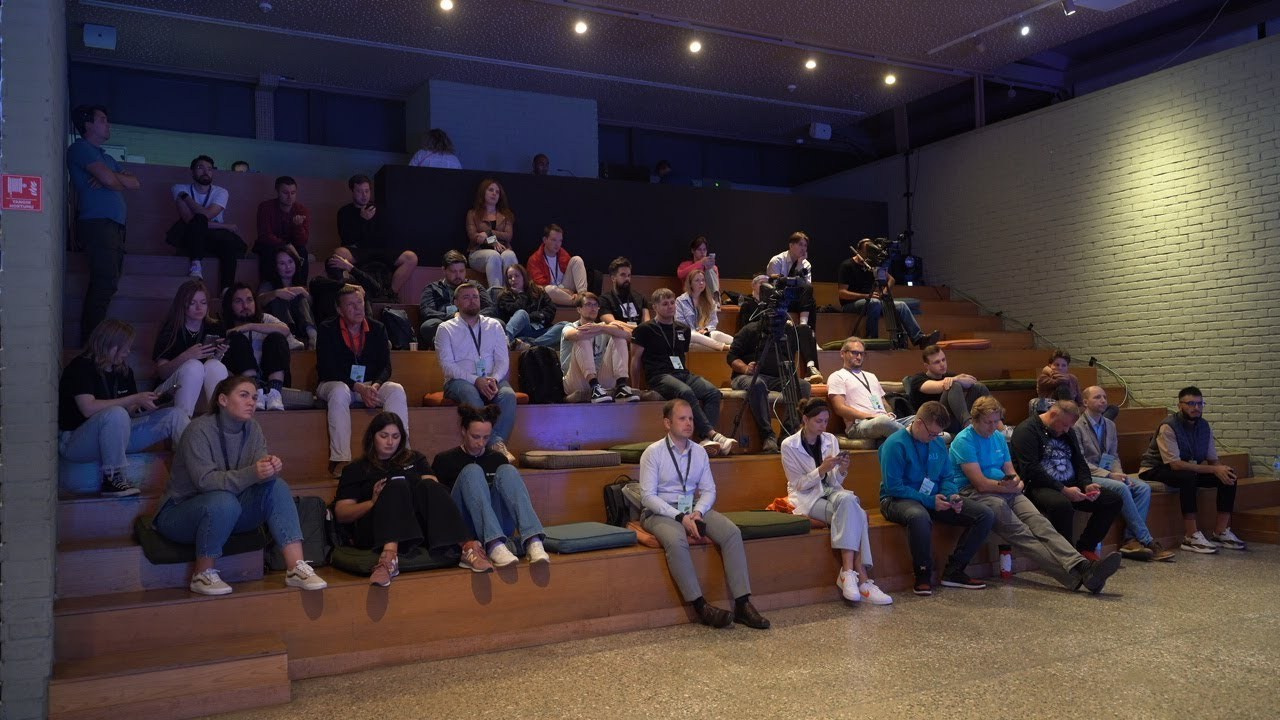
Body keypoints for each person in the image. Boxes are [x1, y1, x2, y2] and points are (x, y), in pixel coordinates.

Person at [153, 375, 327, 596]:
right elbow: (205, 482)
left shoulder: (253, 428)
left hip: (230, 510)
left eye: (254, 397)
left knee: (276, 486)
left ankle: (296, 568)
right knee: (223, 501)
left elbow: (258, 472)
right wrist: (254, 472)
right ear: (223, 400)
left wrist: (270, 468)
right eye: (244, 395)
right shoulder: (198, 430)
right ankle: (202, 574)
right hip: (180, 513)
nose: (251, 402)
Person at [950, 396, 1122, 594]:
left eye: (996, 421)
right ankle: (1080, 574)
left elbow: (1010, 470)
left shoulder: (997, 437)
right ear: (975, 420)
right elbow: (980, 484)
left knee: (1041, 525)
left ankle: (1082, 567)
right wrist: (1009, 487)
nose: (993, 427)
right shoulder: (964, 440)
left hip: (1005, 488)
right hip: (977, 493)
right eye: (988, 422)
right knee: (1021, 533)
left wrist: (1017, 482)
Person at [639, 399, 771, 629]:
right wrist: (680, 517)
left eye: (691, 418)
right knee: (676, 540)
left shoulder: (699, 452)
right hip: (660, 511)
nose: (689, 423)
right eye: (682, 418)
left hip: (693, 508)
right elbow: (648, 497)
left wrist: (698, 512)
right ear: (667, 423)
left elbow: (709, 490)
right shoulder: (653, 453)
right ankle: (700, 607)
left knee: (731, 533)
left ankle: (742, 604)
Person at [335, 412, 494, 586]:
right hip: (376, 528)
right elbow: (342, 513)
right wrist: (372, 502)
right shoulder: (356, 469)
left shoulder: (414, 458)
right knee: (396, 485)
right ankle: (389, 558)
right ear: (372, 437)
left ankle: (468, 548)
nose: (390, 442)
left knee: (429, 485)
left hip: (415, 527)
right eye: (384, 436)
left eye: (395, 436)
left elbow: (433, 489)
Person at [59, 319, 190, 497]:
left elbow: (130, 412)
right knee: (116, 413)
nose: (128, 352)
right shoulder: (81, 366)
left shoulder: (123, 371)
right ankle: (113, 479)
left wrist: (146, 405)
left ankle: (196, 472)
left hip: (116, 437)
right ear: (109, 344)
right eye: (124, 347)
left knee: (175, 415)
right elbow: (87, 408)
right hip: (77, 441)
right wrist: (134, 398)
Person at [781, 399, 893, 604]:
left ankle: (848, 573)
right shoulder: (789, 445)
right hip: (807, 497)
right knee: (858, 514)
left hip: (832, 492)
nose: (823, 426)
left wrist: (841, 469)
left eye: (826, 421)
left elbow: (834, 482)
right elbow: (798, 485)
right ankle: (863, 580)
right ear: (805, 419)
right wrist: (821, 470)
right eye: (818, 421)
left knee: (849, 501)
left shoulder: (830, 439)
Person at [878, 401, 995, 595]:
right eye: (931, 433)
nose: (934, 438)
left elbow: (947, 477)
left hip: (933, 497)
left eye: (938, 434)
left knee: (985, 514)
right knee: (919, 516)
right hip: (896, 499)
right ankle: (922, 574)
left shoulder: (938, 442)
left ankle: (954, 571)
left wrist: (952, 496)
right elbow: (894, 487)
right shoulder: (894, 444)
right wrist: (930, 501)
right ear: (918, 422)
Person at [431, 404, 548, 567]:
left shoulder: (497, 459)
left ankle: (533, 541)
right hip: (464, 526)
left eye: (486, 437)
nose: (481, 443)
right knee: (472, 471)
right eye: (475, 437)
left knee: (508, 470)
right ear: (463, 431)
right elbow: (439, 505)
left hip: (498, 524)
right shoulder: (444, 460)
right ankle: (493, 545)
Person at [316, 284, 410, 476]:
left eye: (359, 302)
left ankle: (401, 453)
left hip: (368, 385)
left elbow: (386, 366)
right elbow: (327, 368)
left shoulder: (377, 328)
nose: (358, 308)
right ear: (339, 310)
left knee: (396, 389)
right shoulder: (327, 329)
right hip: (334, 383)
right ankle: (341, 459)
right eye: (350, 305)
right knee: (340, 391)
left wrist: (375, 386)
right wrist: (357, 387)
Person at [632, 289, 738, 457]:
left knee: (713, 393)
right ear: (655, 307)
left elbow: (683, 356)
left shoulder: (683, 329)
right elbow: (635, 360)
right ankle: (713, 435)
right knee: (685, 392)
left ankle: (705, 440)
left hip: (682, 373)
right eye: (665, 304)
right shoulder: (644, 329)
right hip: (659, 375)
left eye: (672, 303)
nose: (670, 306)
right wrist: (635, 388)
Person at [1010, 400, 1123, 558]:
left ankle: (1086, 548)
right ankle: (1067, 557)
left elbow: (1079, 461)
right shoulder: (1026, 431)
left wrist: (1087, 484)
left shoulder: (1067, 431)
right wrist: (1063, 490)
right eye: (1064, 425)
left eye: (1069, 426)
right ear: (1053, 414)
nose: (1066, 430)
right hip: (1039, 486)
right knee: (1061, 505)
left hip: (1070, 483)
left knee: (1112, 500)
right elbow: (1031, 470)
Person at [1138, 386, 1244, 553]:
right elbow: (1175, 465)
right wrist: (1213, 470)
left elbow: (1213, 460)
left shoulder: (1204, 426)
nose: (1196, 408)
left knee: (1229, 476)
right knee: (1188, 477)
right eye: (1191, 404)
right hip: (1155, 468)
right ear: (1180, 405)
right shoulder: (1168, 426)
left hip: (1188, 469)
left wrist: (1221, 469)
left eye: (1200, 404)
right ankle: (1190, 536)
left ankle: (1220, 532)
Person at [1073, 386, 1172, 562]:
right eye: (1097, 397)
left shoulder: (1110, 425)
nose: (1103, 400)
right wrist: (1110, 475)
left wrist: (1120, 473)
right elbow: (1081, 462)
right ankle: (1147, 540)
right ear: (1085, 402)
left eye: (1104, 397)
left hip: (1109, 473)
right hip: (1088, 475)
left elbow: (1113, 455)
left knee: (1143, 488)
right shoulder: (1077, 427)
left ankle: (1130, 540)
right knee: (1121, 488)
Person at [68, 105, 139, 343]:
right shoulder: (80, 148)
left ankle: (94, 343)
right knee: (104, 282)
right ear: (88, 124)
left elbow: (135, 182)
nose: (108, 124)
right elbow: (112, 180)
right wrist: (112, 179)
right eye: (103, 120)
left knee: (109, 283)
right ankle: (92, 345)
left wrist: (109, 178)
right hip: (97, 224)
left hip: (115, 227)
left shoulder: (106, 157)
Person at [435, 281, 519, 463]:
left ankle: (494, 449)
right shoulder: (445, 329)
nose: (472, 300)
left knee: (508, 395)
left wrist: (494, 379)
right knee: (471, 393)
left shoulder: (494, 325)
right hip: (459, 381)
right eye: (466, 297)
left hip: (491, 378)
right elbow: (447, 365)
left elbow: (503, 360)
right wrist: (475, 380)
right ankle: (495, 445)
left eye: (475, 297)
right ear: (456, 302)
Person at [727, 310, 813, 453]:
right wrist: (745, 368)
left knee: (804, 386)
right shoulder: (750, 330)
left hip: (777, 378)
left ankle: (788, 433)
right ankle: (767, 435)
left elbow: (790, 358)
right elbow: (731, 357)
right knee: (757, 384)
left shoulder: (788, 332)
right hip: (746, 376)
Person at [838, 239, 938, 348]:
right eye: (867, 252)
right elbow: (842, 293)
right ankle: (872, 339)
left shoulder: (872, 265)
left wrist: (884, 292)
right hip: (852, 304)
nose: (869, 256)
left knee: (901, 306)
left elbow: (891, 280)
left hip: (872, 302)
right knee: (874, 303)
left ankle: (919, 338)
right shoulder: (847, 265)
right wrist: (866, 296)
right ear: (859, 251)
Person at [335, 174, 419, 301]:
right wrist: (363, 220)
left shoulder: (380, 209)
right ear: (352, 191)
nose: (364, 195)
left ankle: (389, 294)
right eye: (359, 191)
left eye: (367, 191)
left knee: (411, 257)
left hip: (381, 250)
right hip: (360, 251)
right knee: (339, 253)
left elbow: (389, 235)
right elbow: (347, 239)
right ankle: (348, 292)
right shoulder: (344, 212)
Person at [153, 279, 230, 418]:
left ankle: (220, 420)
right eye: (192, 303)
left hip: (202, 392)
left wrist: (219, 354)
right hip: (170, 389)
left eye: (203, 302)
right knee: (194, 366)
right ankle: (183, 422)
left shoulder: (215, 327)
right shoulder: (170, 330)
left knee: (215, 365)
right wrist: (186, 356)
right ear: (182, 305)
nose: (199, 308)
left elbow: (211, 369)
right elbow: (162, 373)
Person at [167, 154, 245, 291]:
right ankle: (196, 265)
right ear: (192, 171)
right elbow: (190, 220)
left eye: (209, 169)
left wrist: (187, 198)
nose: (205, 172)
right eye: (200, 167)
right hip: (191, 234)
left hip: (214, 236)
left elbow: (207, 215)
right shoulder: (179, 188)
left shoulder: (221, 192)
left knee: (229, 244)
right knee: (198, 221)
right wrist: (225, 226)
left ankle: (226, 290)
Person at [736, 275, 823, 383]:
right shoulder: (748, 304)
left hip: (779, 334)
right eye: (761, 283)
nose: (765, 286)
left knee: (804, 329)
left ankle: (811, 367)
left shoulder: (776, 304)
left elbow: (784, 320)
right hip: (761, 338)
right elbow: (746, 327)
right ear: (753, 286)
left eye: (768, 283)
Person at [221, 283, 292, 411]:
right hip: (241, 381)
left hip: (271, 378)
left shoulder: (265, 319)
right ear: (230, 305)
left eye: (249, 300)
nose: (245, 306)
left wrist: (251, 326)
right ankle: (254, 391)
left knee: (276, 337)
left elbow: (285, 330)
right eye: (239, 301)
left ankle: (275, 393)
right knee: (237, 338)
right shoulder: (223, 326)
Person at [560, 292, 640, 403]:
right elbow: (574, 335)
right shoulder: (569, 326)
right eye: (588, 304)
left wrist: (603, 328)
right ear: (579, 309)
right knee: (582, 338)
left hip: (600, 378)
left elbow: (630, 336)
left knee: (619, 337)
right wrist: (603, 328)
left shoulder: (601, 327)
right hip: (575, 380)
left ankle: (621, 386)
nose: (593, 308)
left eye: (595, 305)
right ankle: (594, 387)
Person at [826, 337, 909, 442]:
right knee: (883, 422)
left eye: (862, 353)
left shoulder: (871, 376)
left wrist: (890, 414)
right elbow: (839, 408)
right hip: (858, 424)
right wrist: (871, 416)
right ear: (842, 353)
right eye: (855, 353)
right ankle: (912, 438)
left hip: (883, 420)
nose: (859, 357)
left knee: (919, 419)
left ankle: (910, 436)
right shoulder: (837, 376)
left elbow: (884, 402)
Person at [906, 345, 994, 435]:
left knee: (978, 387)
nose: (942, 364)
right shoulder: (918, 379)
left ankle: (997, 425)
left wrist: (962, 380)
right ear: (927, 366)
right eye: (937, 362)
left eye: (943, 360)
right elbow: (937, 386)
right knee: (952, 385)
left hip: (954, 419)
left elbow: (971, 381)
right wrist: (956, 379)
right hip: (934, 422)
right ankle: (968, 424)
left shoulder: (949, 376)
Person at [418, 250, 493, 346]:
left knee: (498, 323)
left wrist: (470, 317)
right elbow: (427, 312)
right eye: (453, 271)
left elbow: (490, 308)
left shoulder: (475, 286)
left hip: (474, 323)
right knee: (428, 326)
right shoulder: (432, 288)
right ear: (444, 270)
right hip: (447, 325)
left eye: (461, 271)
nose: (458, 275)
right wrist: (453, 316)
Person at [492, 263, 565, 349]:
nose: (513, 279)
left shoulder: (538, 291)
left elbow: (550, 310)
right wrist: (521, 294)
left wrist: (536, 316)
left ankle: (530, 344)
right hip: (519, 331)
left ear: (524, 276)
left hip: (540, 330)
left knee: (565, 326)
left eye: (517, 276)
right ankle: (505, 339)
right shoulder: (504, 296)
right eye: (510, 277)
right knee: (521, 313)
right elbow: (513, 311)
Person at [257, 245, 317, 349]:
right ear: (276, 266)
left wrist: (303, 291)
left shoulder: (299, 284)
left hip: (300, 326)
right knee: (279, 296)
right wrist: (276, 293)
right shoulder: (268, 284)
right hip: (278, 329)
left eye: (290, 262)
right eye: (282, 263)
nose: (288, 267)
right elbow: (258, 301)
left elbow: (312, 305)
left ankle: (313, 337)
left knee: (301, 296)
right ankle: (289, 337)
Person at [254, 176, 309, 285]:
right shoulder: (266, 207)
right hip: (270, 244)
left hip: (292, 245)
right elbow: (265, 235)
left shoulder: (301, 210)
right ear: (277, 192)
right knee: (268, 251)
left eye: (293, 193)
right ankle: (268, 287)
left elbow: (303, 241)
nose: (290, 197)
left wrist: (298, 227)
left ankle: (301, 286)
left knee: (302, 251)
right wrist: (285, 245)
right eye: (285, 193)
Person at [464, 178, 517, 288]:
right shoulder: (472, 214)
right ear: (483, 192)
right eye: (491, 190)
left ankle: (511, 293)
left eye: (497, 192)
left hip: (502, 250)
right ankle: (497, 294)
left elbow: (508, 236)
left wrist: (489, 232)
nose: (494, 194)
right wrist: (493, 241)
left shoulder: (506, 215)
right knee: (493, 256)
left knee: (510, 255)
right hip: (478, 252)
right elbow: (474, 237)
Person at [764, 231, 819, 332]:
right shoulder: (777, 261)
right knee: (809, 301)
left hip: (797, 299)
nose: (803, 248)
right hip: (780, 298)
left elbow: (807, 286)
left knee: (811, 300)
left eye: (805, 246)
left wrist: (800, 264)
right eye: (800, 244)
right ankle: (805, 330)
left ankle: (807, 331)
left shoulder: (806, 264)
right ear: (791, 245)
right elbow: (773, 286)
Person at [527, 223, 588, 306]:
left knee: (577, 259)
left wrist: (564, 290)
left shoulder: (563, 253)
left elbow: (572, 275)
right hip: (552, 292)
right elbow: (539, 287)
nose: (557, 244)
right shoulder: (534, 259)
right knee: (549, 290)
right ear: (545, 240)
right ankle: (578, 302)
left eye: (560, 241)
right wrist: (562, 290)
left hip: (565, 288)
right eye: (554, 240)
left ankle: (583, 296)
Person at [675, 269, 732, 352]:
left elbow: (713, 321)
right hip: (689, 335)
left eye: (703, 280)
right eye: (697, 280)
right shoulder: (680, 301)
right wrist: (697, 331)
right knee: (694, 335)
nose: (701, 283)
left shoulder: (709, 300)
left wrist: (706, 330)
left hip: (705, 334)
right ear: (690, 284)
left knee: (716, 334)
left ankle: (739, 344)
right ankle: (726, 347)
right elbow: (680, 323)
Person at [598, 256, 650, 330]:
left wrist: (639, 330)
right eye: (623, 275)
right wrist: (637, 328)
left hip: (639, 335)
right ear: (613, 278)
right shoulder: (604, 300)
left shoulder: (640, 298)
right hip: (617, 334)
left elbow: (646, 323)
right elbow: (613, 324)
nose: (627, 279)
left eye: (629, 275)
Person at [677, 236, 721, 303]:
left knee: (710, 270)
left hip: (707, 297)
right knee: (697, 274)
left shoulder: (712, 268)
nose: (702, 252)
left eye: (704, 249)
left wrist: (709, 267)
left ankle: (716, 301)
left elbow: (716, 286)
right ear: (693, 251)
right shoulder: (685, 264)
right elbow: (680, 275)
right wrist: (701, 263)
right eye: (699, 249)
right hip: (691, 296)